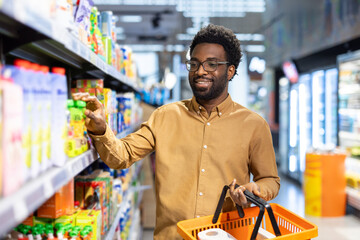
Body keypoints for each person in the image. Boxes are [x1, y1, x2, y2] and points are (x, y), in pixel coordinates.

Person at [73, 24, 280, 239]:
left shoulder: (253, 124)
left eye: (211, 64)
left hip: (226, 235)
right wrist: (101, 128)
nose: (200, 71)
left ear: (230, 71)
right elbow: (121, 157)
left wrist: (252, 189)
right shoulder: (165, 116)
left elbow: (270, 180)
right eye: (194, 63)